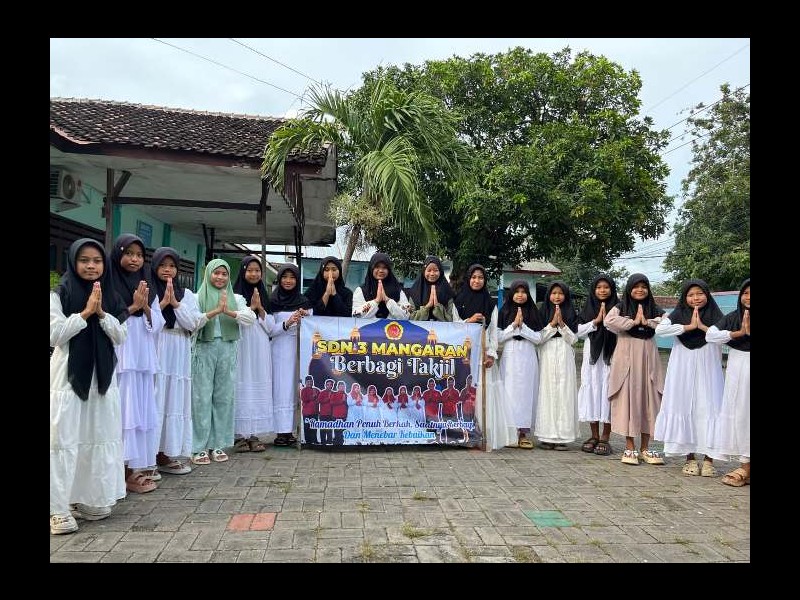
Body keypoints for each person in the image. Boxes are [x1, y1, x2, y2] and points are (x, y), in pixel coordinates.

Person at [50, 238, 128, 535]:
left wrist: (101, 313)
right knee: (64, 440)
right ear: (73, 262)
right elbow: (55, 335)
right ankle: (58, 509)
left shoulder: (112, 295)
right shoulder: (60, 294)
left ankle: (87, 497)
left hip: (102, 379)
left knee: (96, 435)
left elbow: (120, 336)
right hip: (68, 378)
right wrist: (84, 313)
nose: (91, 266)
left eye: (97, 261)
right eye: (84, 260)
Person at [109, 233, 165, 494]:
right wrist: (133, 307)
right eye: (129, 253)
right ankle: (118, 471)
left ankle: (133, 468)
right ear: (118, 254)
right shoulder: (108, 283)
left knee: (139, 410)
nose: (134, 259)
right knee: (122, 410)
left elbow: (159, 323)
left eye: (139, 255)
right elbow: (107, 318)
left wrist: (145, 307)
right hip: (120, 356)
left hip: (142, 356)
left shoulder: (147, 285)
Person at [654, 279, 725, 476]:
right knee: (684, 405)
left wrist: (702, 327)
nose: (696, 298)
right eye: (691, 295)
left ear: (707, 295)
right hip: (682, 368)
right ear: (685, 298)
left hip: (709, 368)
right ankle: (690, 458)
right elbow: (660, 330)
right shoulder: (677, 314)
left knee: (710, 406)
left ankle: (709, 460)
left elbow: (724, 336)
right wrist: (688, 326)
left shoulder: (716, 315)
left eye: (700, 293)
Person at [191, 259, 256, 465]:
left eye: (224, 274)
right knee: (201, 397)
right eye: (216, 273)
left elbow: (250, 319)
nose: (220, 277)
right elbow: (192, 322)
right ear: (208, 274)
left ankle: (218, 443)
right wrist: (215, 311)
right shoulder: (196, 298)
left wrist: (227, 310)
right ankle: (198, 446)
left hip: (227, 349)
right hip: (204, 348)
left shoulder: (236, 298)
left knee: (224, 397)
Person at [151, 247, 206, 476]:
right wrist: (162, 304)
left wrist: (175, 303)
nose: (167, 270)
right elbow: (146, 322)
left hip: (179, 347)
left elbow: (192, 323)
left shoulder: (187, 295)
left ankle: (167, 453)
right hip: (157, 346)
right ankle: (148, 457)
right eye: (163, 265)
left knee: (174, 399)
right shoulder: (148, 290)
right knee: (156, 397)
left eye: (172, 266)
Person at [604, 273, 667, 466]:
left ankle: (645, 448)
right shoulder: (620, 307)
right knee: (629, 400)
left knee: (649, 401)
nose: (640, 290)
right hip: (627, 360)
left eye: (643, 286)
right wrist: (632, 322)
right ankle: (630, 446)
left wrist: (647, 322)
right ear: (629, 288)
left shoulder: (655, 308)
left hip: (648, 360)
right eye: (636, 286)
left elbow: (666, 323)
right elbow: (608, 321)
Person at [454, 264, 515, 450]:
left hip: (484, 353)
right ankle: (467, 435)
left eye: (480, 277)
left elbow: (494, 329)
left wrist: (492, 353)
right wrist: (469, 321)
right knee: (467, 392)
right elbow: (454, 325)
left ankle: (485, 435)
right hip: (465, 353)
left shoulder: (490, 303)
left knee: (484, 394)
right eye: (473, 277)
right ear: (468, 279)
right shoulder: (458, 300)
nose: (477, 281)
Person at [706, 278, 750, 487]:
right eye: (746, 293)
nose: (748, 297)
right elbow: (711, 335)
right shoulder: (734, 317)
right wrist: (738, 333)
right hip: (738, 366)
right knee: (741, 413)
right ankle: (746, 464)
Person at [232, 256, 275, 453]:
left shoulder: (265, 296)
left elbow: (271, 327)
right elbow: (236, 320)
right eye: (249, 270)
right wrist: (251, 309)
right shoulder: (234, 296)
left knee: (257, 384)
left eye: (257, 270)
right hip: (241, 343)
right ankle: (239, 436)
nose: (254, 274)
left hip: (260, 346)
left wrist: (260, 308)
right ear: (243, 272)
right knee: (241, 384)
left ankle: (254, 434)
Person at [269, 264, 312, 447]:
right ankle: (281, 432)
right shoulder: (271, 301)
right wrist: (287, 323)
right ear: (279, 279)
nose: (288, 281)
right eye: (285, 277)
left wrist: (305, 317)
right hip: (279, 350)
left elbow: (313, 327)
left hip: (299, 350)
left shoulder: (304, 301)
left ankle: (293, 431)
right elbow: (269, 329)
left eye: (292, 277)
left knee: (296, 390)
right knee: (281, 390)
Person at [576, 275, 619, 456]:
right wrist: (595, 322)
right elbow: (577, 332)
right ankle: (594, 435)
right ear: (593, 290)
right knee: (592, 390)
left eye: (606, 287)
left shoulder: (619, 308)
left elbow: (623, 329)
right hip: (591, 355)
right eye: (599, 287)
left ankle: (605, 437)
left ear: (612, 289)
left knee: (608, 391)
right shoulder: (587, 309)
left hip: (613, 353)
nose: (602, 290)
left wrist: (608, 321)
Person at [497, 280, 543, 449]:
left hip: (528, 356)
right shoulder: (504, 311)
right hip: (510, 356)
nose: (520, 295)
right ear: (511, 294)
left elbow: (538, 338)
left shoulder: (533, 312)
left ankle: (523, 433)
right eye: (517, 291)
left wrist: (523, 327)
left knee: (526, 394)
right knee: (509, 393)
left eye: (524, 292)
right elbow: (498, 337)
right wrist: (513, 326)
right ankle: (510, 433)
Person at [535, 281, 580, 450]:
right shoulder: (542, 312)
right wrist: (552, 324)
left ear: (565, 296)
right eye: (554, 293)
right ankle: (546, 436)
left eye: (560, 293)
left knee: (564, 392)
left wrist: (562, 325)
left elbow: (574, 339)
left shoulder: (571, 312)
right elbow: (538, 338)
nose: (557, 296)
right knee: (547, 392)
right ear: (549, 295)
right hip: (547, 353)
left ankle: (563, 437)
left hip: (565, 353)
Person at [352, 252, 410, 319]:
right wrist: (376, 301)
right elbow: (356, 315)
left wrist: (388, 301)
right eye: (377, 267)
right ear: (371, 268)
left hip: (392, 326)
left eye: (384, 267)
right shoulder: (361, 290)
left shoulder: (398, 290)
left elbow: (406, 316)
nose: (381, 270)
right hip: (368, 326)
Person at [407, 255, 459, 321]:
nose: (432, 274)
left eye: (436, 270)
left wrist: (437, 307)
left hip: (442, 328)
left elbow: (451, 320)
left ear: (440, 271)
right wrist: (427, 306)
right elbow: (410, 318)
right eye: (429, 270)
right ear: (424, 271)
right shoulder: (415, 291)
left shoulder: (447, 292)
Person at [300, 376, 320, 444]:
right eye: (308, 382)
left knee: (314, 427)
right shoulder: (303, 390)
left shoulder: (316, 390)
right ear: (305, 382)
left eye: (311, 381)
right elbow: (304, 399)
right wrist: (313, 396)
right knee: (307, 427)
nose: (310, 383)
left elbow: (320, 399)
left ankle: (314, 440)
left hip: (315, 413)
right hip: (307, 413)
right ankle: (308, 442)